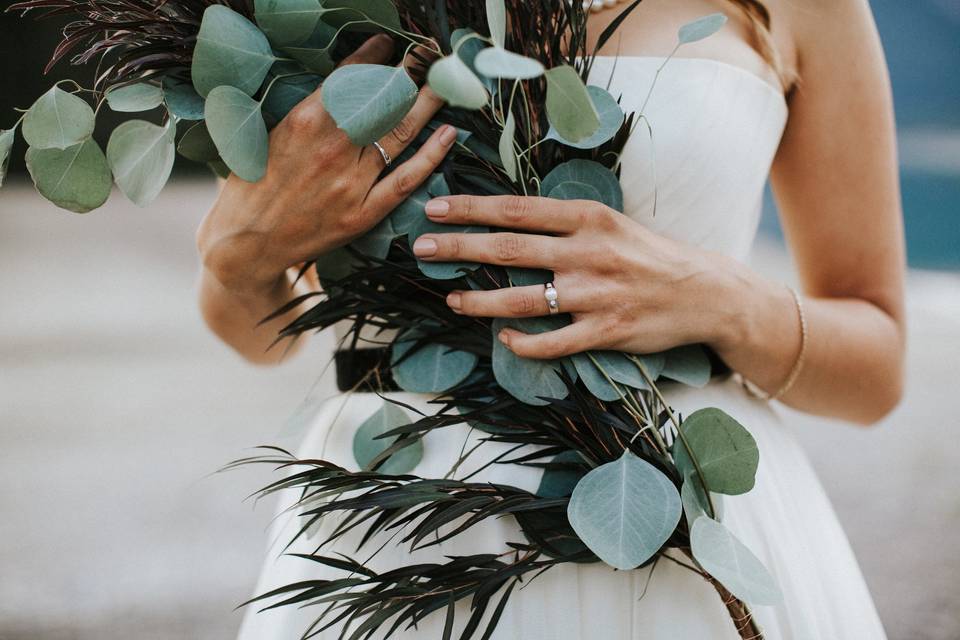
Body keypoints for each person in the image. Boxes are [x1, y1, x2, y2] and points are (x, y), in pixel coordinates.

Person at [198, 0, 902, 637]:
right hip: (392, 525)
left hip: (681, 516)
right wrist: (239, 254)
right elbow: (256, 334)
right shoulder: (308, 12)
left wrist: (723, 299)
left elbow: (876, 370)